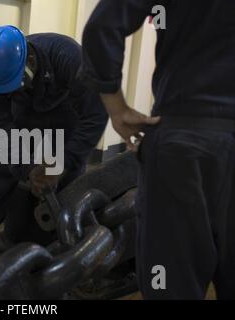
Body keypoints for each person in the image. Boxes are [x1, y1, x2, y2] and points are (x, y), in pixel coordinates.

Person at [81, 0, 235, 299]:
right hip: (187, 144)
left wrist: (116, 108)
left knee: (170, 284)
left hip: (183, 144)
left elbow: (103, 26)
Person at [0, 26, 108, 269]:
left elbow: (96, 115)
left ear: (30, 59)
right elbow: (1, 129)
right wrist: (27, 168)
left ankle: (66, 242)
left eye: (17, 82)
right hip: (23, 115)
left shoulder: (70, 58)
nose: (13, 88)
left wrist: (62, 163)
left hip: (65, 117)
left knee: (70, 181)